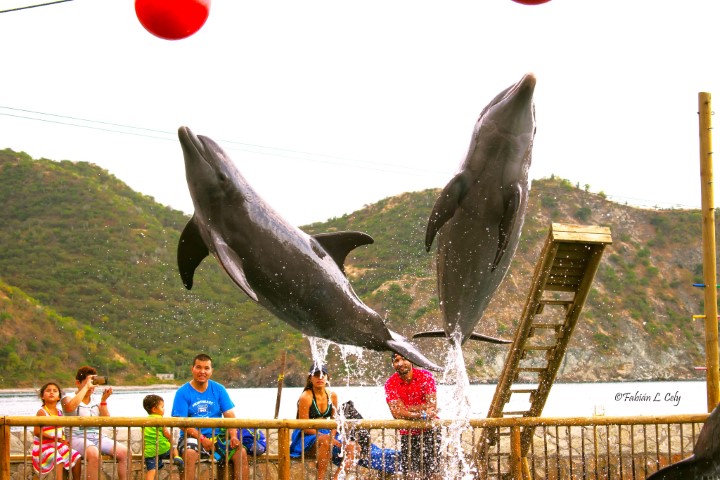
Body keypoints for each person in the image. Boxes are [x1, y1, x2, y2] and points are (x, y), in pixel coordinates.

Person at [171, 353, 248, 480]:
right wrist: (202, 439)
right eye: (198, 367)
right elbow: (181, 423)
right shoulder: (182, 392)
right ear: (192, 369)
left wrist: (234, 436)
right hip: (192, 437)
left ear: (211, 371)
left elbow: (230, 416)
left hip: (216, 439)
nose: (202, 371)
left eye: (206, 368)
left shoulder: (219, 389)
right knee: (189, 453)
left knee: (240, 452)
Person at [62, 366, 129, 480]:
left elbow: (106, 419)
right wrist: (85, 388)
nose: (91, 386)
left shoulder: (96, 400)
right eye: (88, 382)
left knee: (124, 453)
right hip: (76, 437)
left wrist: (103, 401)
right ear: (78, 383)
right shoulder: (68, 398)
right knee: (94, 454)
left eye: (92, 382)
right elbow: (69, 407)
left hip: (97, 437)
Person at [289, 363, 355, 480]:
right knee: (325, 441)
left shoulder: (333, 395)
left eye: (323, 374)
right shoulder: (306, 397)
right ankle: (320, 478)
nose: (320, 377)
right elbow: (304, 425)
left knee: (352, 446)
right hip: (307, 434)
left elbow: (335, 421)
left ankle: (337, 478)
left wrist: (333, 435)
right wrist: (328, 438)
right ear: (310, 378)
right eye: (316, 374)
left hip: (327, 432)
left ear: (327, 377)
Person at [384, 353, 441, 480]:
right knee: (410, 474)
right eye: (396, 360)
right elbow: (396, 413)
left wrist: (406, 409)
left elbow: (432, 406)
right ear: (393, 364)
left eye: (404, 359)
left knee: (433, 473)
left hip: (430, 430)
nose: (400, 363)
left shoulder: (425, 376)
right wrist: (423, 412)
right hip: (407, 433)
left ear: (411, 360)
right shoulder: (390, 383)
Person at [32, 382, 83, 480]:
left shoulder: (59, 412)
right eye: (48, 391)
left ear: (59, 397)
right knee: (58, 459)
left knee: (76, 456)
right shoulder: (42, 412)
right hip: (43, 447)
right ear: (42, 396)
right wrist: (53, 438)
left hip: (57, 445)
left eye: (55, 391)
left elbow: (60, 430)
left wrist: (63, 440)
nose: (51, 393)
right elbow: (37, 432)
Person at [142, 394, 184, 480]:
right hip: (162, 448)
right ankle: (176, 457)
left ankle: (158, 463)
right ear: (154, 409)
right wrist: (171, 439)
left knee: (151, 471)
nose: (164, 409)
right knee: (173, 445)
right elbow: (167, 434)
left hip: (150, 452)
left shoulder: (143, 422)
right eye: (162, 407)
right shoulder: (160, 420)